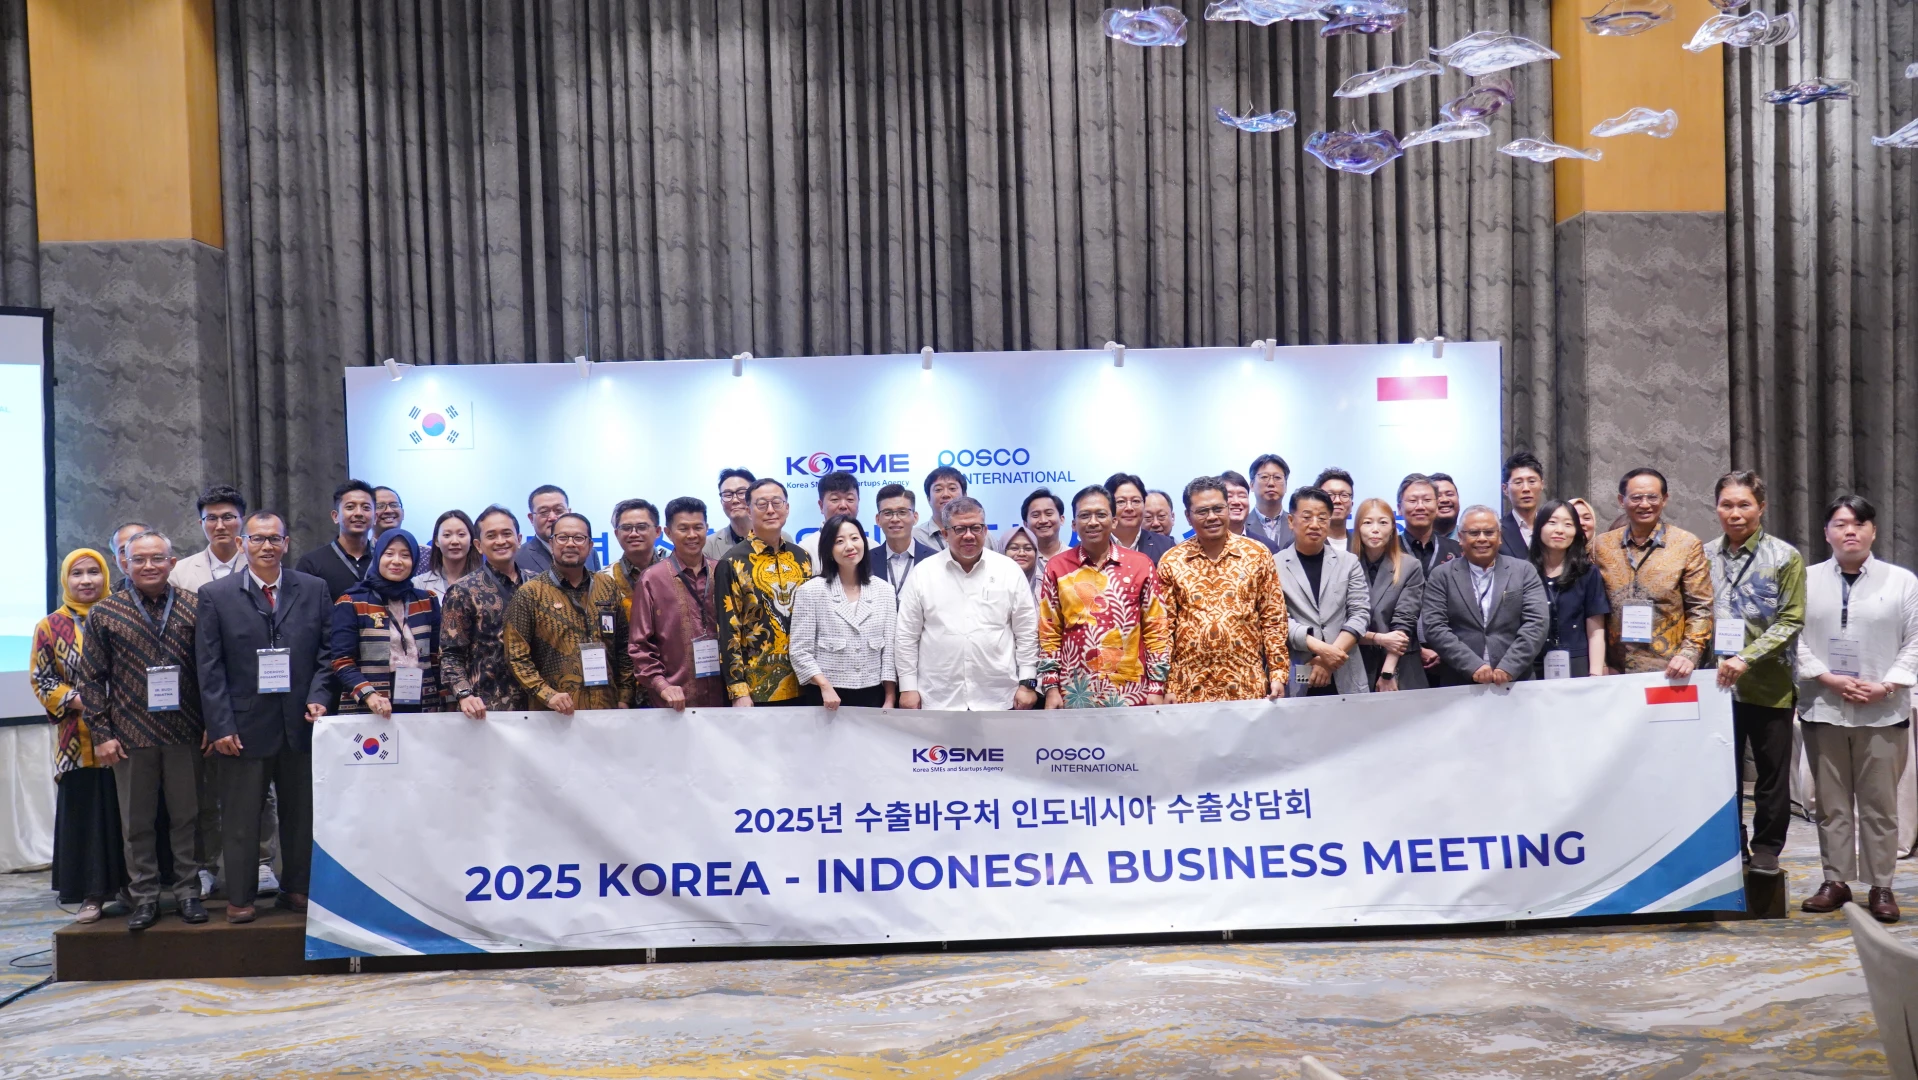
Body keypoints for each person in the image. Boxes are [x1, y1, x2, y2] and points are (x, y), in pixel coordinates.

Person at [196, 511, 332, 923]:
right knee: (240, 817)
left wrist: (319, 697)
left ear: (286, 544)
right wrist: (220, 725)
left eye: (275, 538)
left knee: (301, 814)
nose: (266, 546)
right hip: (242, 726)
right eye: (257, 539)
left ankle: (297, 888)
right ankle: (240, 897)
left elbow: (328, 654)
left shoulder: (313, 589)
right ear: (242, 544)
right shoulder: (215, 595)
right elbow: (210, 667)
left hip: (301, 722)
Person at [1796, 495, 1918, 923]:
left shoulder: (1901, 582)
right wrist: (1825, 677)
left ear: (1873, 531)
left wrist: (1888, 684)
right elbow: (1791, 636)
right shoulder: (1805, 579)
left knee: (1880, 805)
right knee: (1830, 804)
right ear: (1826, 532)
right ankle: (1835, 880)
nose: (1850, 531)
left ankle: (1882, 884)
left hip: (1883, 710)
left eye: (1859, 523)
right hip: (1823, 706)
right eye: (1840, 523)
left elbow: (1915, 640)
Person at [78, 530, 206, 930]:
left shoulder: (195, 606)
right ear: (125, 563)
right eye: (139, 559)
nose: (149, 566)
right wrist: (102, 735)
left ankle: (188, 893)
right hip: (129, 735)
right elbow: (90, 679)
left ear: (172, 562)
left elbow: (211, 671)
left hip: (186, 730)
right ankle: (145, 898)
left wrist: (214, 724)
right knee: (137, 825)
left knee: (187, 819)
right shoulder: (105, 613)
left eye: (157, 558)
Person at [1704, 471, 1804, 877]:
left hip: (1770, 685)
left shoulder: (1784, 556)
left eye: (1744, 504)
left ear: (1761, 507)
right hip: (1715, 687)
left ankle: (1766, 848)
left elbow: (1791, 619)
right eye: (1727, 504)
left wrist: (1746, 658)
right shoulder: (1703, 555)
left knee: (1770, 776)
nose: (1735, 513)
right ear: (1716, 508)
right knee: (1719, 773)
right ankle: (1731, 843)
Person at [34, 548, 126, 923]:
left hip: (129, 736)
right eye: (77, 573)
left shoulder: (123, 614)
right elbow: (43, 680)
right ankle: (92, 894)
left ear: (106, 575)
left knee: (128, 814)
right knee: (88, 816)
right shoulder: (50, 625)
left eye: (93, 572)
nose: (86, 580)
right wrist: (83, 700)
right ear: (65, 580)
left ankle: (137, 889)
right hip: (78, 740)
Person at [896, 497, 1038, 710]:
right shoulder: (923, 573)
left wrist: (1027, 683)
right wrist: (908, 687)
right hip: (938, 699)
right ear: (945, 534)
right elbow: (907, 635)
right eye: (960, 529)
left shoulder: (1008, 570)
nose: (969, 535)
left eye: (976, 528)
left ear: (985, 530)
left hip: (998, 698)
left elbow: (1026, 632)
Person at [1155, 477, 1289, 703]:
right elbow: (1164, 628)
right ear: (1188, 516)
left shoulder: (1257, 554)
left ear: (1227, 509)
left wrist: (1278, 673)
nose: (1212, 517)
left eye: (1218, 509)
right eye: (1202, 511)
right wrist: (1165, 684)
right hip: (1187, 687)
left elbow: (1273, 618)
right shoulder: (1172, 561)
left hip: (1246, 685)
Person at [1037, 486, 1168, 708]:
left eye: (1101, 514)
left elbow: (1156, 629)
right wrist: (1051, 688)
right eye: (1085, 515)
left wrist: (1157, 687)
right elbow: (1049, 633)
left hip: (1132, 693)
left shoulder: (1140, 564)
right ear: (1073, 524)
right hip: (1075, 692)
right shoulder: (1057, 567)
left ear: (1114, 521)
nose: (1093, 522)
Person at [1591, 468, 1714, 678]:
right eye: (1636, 498)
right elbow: (1591, 608)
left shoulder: (1686, 545)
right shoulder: (1601, 546)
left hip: (1669, 670)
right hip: (1614, 671)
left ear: (1664, 499)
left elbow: (1700, 607)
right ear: (1621, 500)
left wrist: (1688, 654)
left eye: (1652, 497)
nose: (1645, 504)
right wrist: (1599, 663)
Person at [505, 512, 631, 714]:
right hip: (554, 714)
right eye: (562, 538)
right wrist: (547, 694)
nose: (570, 544)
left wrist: (625, 696)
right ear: (551, 543)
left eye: (579, 538)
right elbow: (516, 656)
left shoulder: (607, 586)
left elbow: (624, 644)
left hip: (607, 708)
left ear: (590, 545)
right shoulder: (531, 593)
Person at [1421, 507, 1549, 687]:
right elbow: (1434, 627)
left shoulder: (1523, 571)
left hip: (1516, 680)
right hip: (1459, 681)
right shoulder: (1441, 575)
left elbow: (1537, 623)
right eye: (1474, 533)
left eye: (1489, 532)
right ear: (1461, 537)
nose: (1482, 538)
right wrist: (1472, 666)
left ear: (1499, 536)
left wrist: (1509, 666)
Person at [715, 479, 814, 706]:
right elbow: (728, 631)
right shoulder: (732, 562)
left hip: (807, 682)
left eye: (777, 503)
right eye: (761, 504)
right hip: (759, 689)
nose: (770, 510)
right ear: (749, 511)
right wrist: (738, 690)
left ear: (787, 508)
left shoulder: (802, 558)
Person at [324, 528, 441, 717]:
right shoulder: (351, 602)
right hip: (370, 707)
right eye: (389, 553)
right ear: (378, 557)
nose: (397, 561)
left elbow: (437, 658)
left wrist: (448, 699)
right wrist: (368, 694)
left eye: (405, 555)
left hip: (423, 705)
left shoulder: (427, 601)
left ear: (415, 561)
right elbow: (342, 661)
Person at [789, 515, 897, 709]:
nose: (849, 546)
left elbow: (889, 651)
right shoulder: (811, 591)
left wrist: (890, 697)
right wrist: (824, 686)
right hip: (826, 695)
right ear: (828, 550)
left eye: (855, 538)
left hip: (873, 694)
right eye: (839, 541)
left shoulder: (884, 590)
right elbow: (800, 650)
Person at [630, 497, 728, 710]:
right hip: (675, 703)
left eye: (698, 527)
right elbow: (639, 645)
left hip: (725, 699)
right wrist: (662, 686)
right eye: (683, 528)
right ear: (668, 532)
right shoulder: (651, 579)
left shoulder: (722, 572)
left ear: (707, 529)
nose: (692, 535)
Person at [1276, 487, 1370, 697]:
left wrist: (1328, 660)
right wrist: (1320, 650)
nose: (1315, 524)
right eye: (1307, 517)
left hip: (1344, 666)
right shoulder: (1274, 565)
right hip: (1302, 666)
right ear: (1291, 521)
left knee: (1352, 718)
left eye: (1322, 518)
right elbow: (1278, 620)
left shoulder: (1349, 562)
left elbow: (1360, 614)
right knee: (1301, 714)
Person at [442, 506, 533, 717]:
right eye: (491, 536)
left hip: (539, 706)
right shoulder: (462, 590)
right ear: (478, 545)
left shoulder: (538, 584)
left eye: (507, 534)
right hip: (485, 708)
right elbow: (451, 654)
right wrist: (464, 695)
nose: (500, 541)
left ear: (519, 539)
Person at [1527, 500, 1611, 679]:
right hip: (1531, 663)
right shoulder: (1524, 571)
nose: (1560, 530)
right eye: (1552, 522)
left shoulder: (1587, 572)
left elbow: (1595, 631)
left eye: (1568, 524)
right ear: (1539, 527)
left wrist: (1595, 673)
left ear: (1576, 531)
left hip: (1577, 663)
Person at [1351, 498, 1426, 692]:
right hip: (1356, 660)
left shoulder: (1409, 566)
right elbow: (1342, 622)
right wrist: (1377, 638)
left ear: (1393, 528)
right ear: (1357, 528)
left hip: (1399, 661)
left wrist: (1388, 672)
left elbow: (1405, 621)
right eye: (1367, 522)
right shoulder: (1344, 565)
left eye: (1383, 522)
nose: (1375, 529)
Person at [294, 480, 376, 601]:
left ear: (375, 517)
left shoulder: (384, 560)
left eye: (366, 508)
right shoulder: (312, 563)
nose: (359, 513)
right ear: (335, 516)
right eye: (350, 507)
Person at [171, 485, 248, 593]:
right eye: (211, 518)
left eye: (227, 517)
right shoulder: (179, 572)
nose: (220, 526)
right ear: (201, 523)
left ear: (243, 521)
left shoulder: (261, 567)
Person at [705, 468, 793, 561]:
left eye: (741, 493)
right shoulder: (709, 545)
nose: (735, 500)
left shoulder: (784, 539)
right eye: (727, 495)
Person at [601, 499, 662, 627]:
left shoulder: (676, 574)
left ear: (657, 532)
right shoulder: (603, 579)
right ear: (616, 534)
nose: (633, 534)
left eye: (642, 527)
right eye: (626, 528)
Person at [517, 484, 601, 575]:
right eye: (544, 512)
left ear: (569, 513)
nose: (552, 517)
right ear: (531, 519)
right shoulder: (518, 557)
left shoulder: (590, 553)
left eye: (559, 510)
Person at [868, 484, 935, 592]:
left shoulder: (933, 559)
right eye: (887, 513)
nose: (895, 519)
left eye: (902, 512)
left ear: (915, 517)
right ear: (878, 520)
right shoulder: (865, 561)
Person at [1105, 473, 1176, 565]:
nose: (1129, 508)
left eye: (1136, 501)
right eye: (1121, 501)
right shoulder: (1094, 545)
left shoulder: (1166, 546)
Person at [1397, 473, 1461, 576]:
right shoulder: (1388, 549)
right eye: (1413, 501)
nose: (1420, 507)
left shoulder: (1457, 550)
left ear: (1436, 506)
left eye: (1427, 500)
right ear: (1399, 508)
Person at [413, 509, 477, 597]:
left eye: (461, 534)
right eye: (447, 535)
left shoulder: (485, 583)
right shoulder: (419, 584)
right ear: (436, 541)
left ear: (471, 540)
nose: (455, 541)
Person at [1500, 451, 1546, 559]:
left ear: (1542, 485)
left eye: (1532, 481)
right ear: (1505, 489)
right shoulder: (1497, 531)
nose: (1526, 489)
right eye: (1518, 482)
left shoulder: (1551, 527)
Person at [1220, 469, 1279, 553]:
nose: (1236, 501)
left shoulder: (1267, 547)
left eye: (1242, 496)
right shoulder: (1205, 544)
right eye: (1229, 496)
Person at [912, 466, 967, 552]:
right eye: (938, 489)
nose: (945, 494)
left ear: (964, 496)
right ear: (928, 498)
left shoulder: (982, 535)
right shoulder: (914, 537)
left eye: (952, 488)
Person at [1248, 454, 1295, 551]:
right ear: (1252, 485)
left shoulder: (1297, 524)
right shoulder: (1241, 525)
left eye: (1277, 477)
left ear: (1286, 486)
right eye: (1264, 477)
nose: (1271, 483)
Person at [1311, 468, 1355, 549]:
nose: (1337, 501)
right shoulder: (1302, 544)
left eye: (1344, 495)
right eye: (1330, 495)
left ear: (1352, 505)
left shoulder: (1362, 545)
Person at [1022, 489, 1067, 565]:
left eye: (1049, 514)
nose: (1043, 520)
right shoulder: (1020, 560)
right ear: (1025, 523)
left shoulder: (1077, 557)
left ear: (1061, 519)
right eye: (1035, 515)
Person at [1000, 524, 1045, 599]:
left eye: (1028, 549)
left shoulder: (1045, 586)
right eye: (1014, 548)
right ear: (1002, 551)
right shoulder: (991, 586)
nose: (1021, 553)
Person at [110, 521, 151, 585]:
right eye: (124, 551)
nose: (135, 556)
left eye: (141, 546)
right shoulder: (109, 591)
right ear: (115, 560)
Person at [1430, 473, 1461, 538]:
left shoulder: (1471, 539)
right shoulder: (1409, 540)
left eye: (1449, 494)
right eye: (1437, 496)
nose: (1445, 500)